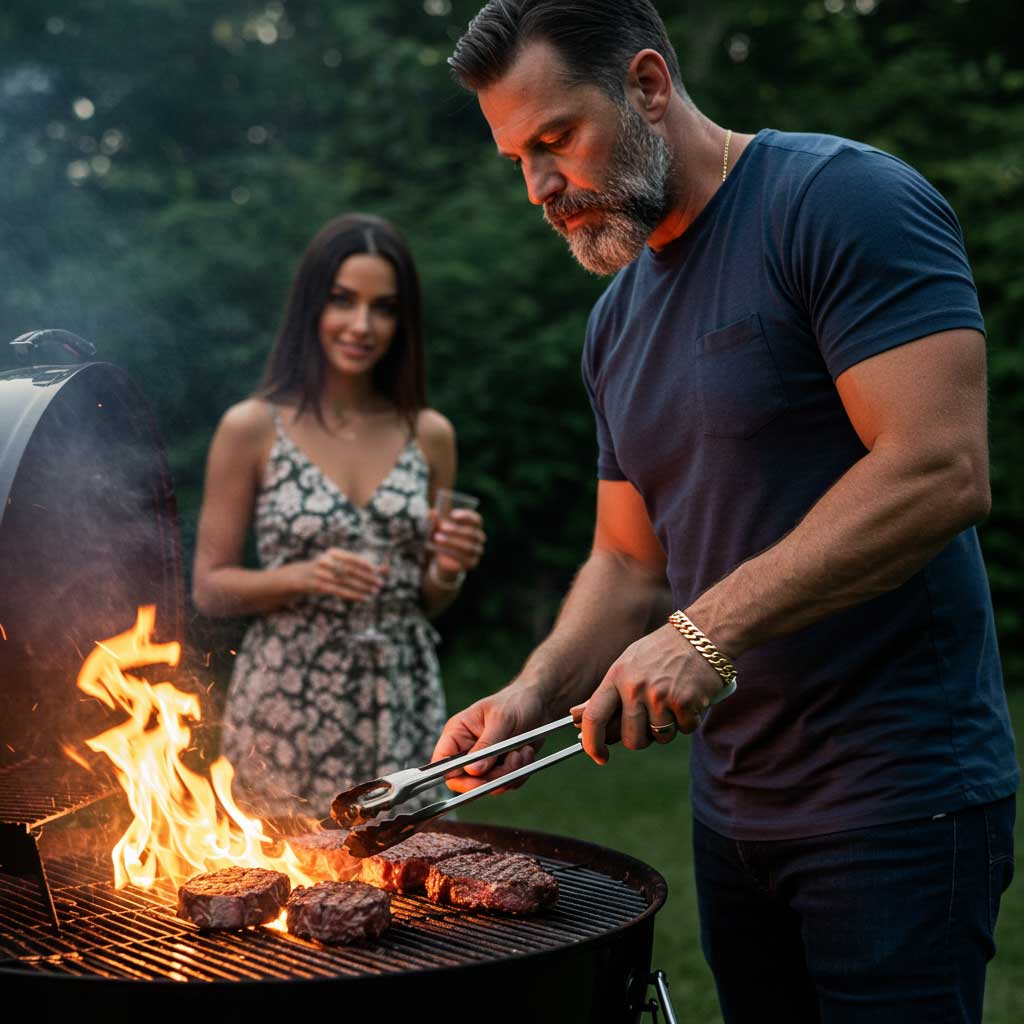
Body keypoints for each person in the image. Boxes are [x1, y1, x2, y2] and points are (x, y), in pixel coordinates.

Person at [431, 3, 1019, 1022]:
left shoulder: (839, 201)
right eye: (516, 159)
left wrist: (703, 633)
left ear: (648, 86)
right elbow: (626, 562)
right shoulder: (615, 322)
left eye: (555, 139)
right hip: (734, 813)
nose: (540, 189)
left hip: (895, 801)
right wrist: (530, 693)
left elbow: (939, 465)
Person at [192, 212, 486, 823]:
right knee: (276, 891)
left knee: (415, 886)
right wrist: (303, 576)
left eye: (383, 308)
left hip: (399, 696)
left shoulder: (429, 435)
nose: (362, 325)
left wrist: (449, 569)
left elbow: (425, 599)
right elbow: (210, 587)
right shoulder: (251, 428)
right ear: (310, 308)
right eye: (342, 301)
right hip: (286, 703)